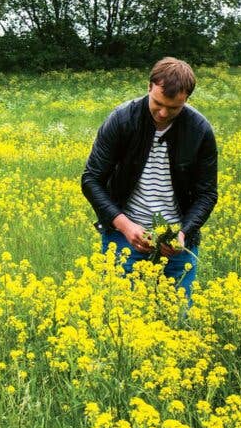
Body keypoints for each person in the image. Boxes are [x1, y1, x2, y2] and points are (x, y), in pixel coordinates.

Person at [81, 57, 217, 300]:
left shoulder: (200, 131)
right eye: (158, 103)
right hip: (124, 238)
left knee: (176, 323)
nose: (163, 113)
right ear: (149, 87)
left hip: (178, 247)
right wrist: (125, 226)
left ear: (186, 99)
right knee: (123, 320)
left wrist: (182, 233)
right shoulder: (122, 120)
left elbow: (207, 194)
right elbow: (91, 179)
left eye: (173, 108)